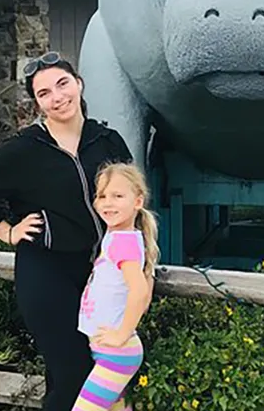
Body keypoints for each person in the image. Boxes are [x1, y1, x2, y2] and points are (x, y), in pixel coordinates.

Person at [0, 51, 134, 411]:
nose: (57, 97)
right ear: (37, 103)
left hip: (103, 274)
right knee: (73, 373)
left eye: (62, 84)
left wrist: (134, 255)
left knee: (106, 371)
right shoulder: (25, 150)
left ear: (78, 84)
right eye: (44, 93)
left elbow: (131, 197)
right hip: (47, 272)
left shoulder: (107, 141)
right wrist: (6, 232)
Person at [73, 162, 159, 411]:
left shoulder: (123, 242)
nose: (107, 203)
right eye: (102, 196)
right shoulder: (119, 237)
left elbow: (140, 292)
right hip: (107, 350)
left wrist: (121, 334)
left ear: (138, 202)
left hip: (116, 354)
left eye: (118, 196)